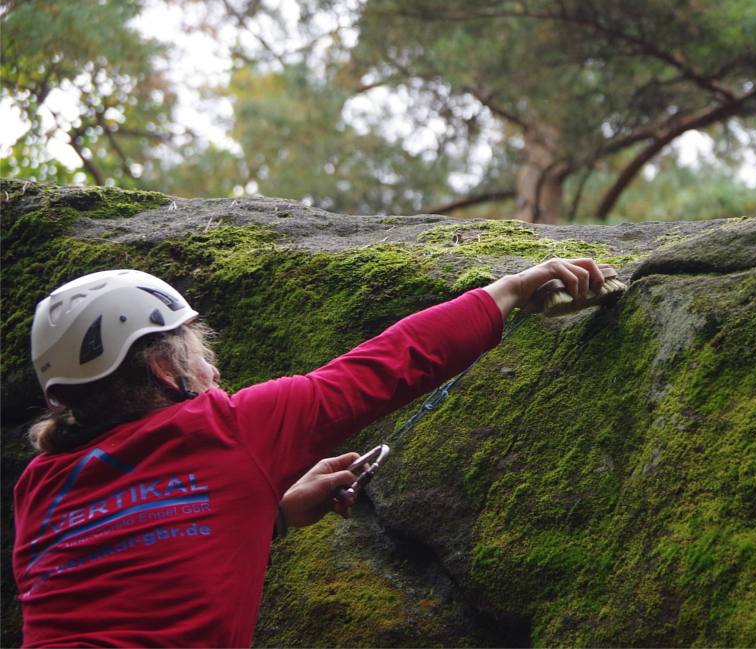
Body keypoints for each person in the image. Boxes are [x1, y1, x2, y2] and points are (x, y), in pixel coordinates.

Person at [13, 258, 606, 647]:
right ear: (167, 370)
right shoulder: (227, 426)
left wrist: (272, 513)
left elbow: (129, 558)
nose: (213, 368)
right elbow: (386, 366)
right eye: (197, 352)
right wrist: (508, 291)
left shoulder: (38, 487)